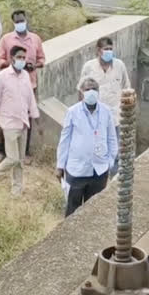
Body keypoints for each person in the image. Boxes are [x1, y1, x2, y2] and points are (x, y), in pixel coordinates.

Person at [55, 77, 118, 217]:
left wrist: (109, 162)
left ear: (98, 92)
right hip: (77, 170)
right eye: (88, 89)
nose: (91, 92)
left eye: (94, 89)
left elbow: (112, 138)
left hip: (99, 170)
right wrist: (60, 166)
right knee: (73, 211)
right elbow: (65, 140)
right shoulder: (73, 112)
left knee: (94, 212)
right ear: (82, 92)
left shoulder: (106, 111)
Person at [0, 45, 40, 196]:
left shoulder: (25, 76)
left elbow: (31, 100)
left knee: (20, 161)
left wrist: (37, 121)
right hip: (8, 122)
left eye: (24, 58)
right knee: (12, 158)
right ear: (11, 59)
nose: (22, 61)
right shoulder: (1, 77)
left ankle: (16, 190)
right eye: (19, 58)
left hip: (23, 122)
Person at [0, 10, 46, 163]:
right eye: (17, 21)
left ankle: (24, 152)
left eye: (22, 20)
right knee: (7, 117)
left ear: (26, 20)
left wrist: (33, 65)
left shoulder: (35, 39)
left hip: (29, 84)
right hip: (10, 84)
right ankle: (3, 151)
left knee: (27, 117)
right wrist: (9, 64)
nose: (20, 23)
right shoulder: (7, 39)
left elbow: (42, 59)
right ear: (13, 23)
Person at [77, 37, 132, 175]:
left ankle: (113, 182)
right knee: (96, 150)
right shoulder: (89, 67)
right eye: (106, 49)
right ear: (98, 50)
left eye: (110, 49)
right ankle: (97, 179)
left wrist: (127, 112)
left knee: (116, 151)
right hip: (96, 117)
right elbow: (81, 90)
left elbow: (126, 88)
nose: (109, 52)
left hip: (116, 117)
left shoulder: (119, 65)